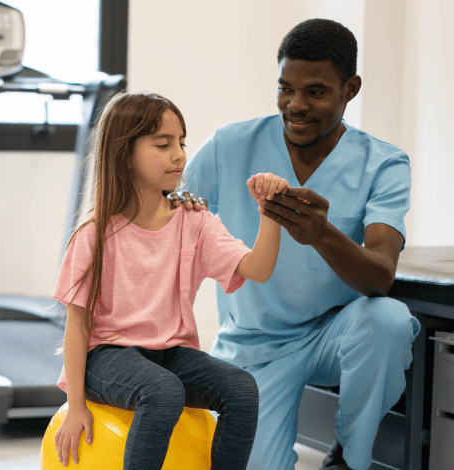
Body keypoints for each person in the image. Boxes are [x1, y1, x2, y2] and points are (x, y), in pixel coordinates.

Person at [182, 19, 422, 470]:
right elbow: (165, 226)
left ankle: (349, 457)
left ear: (350, 89)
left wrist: (321, 234)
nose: (296, 105)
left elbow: (380, 275)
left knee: (388, 321)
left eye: (315, 91)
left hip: (332, 335)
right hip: (254, 345)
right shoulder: (228, 146)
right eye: (285, 88)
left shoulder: (384, 163)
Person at [51, 91, 288, 470]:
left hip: (169, 352)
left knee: (242, 389)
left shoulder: (195, 222)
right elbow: (77, 326)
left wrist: (270, 214)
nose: (179, 154)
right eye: (163, 144)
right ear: (123, 152)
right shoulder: (94, 234)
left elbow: (257, 268)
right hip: (106, 355)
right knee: (162, 392)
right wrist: (76, 406)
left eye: (181, 142)